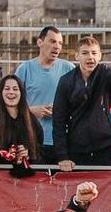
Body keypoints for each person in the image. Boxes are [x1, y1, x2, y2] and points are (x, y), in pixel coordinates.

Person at [53, 35, 111, 167]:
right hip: (76, 148)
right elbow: (58, 120)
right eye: (85, 53)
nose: (90, 57)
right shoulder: (66, 80)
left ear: (100, 56)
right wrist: (62, 156)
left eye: (94, 53)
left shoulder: (105, 73)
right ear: (77, 56)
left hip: (104, 147)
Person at [12, 27, 75, 163]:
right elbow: (11, 106)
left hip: (62, 142)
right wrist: (31, 111)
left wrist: (61, 110)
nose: (56, 47)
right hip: (33, 141)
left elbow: (79, 103)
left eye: (60, 43)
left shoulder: (69, 69)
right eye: (52, 41)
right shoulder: (25, 69)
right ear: (40, 42)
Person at [0, 73, 44, 167]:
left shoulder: (30, 119)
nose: (11, 92)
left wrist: (28, 152)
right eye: (7, 89)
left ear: (21, 93)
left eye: (15, 89)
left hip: (24, 175)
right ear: (1, 92)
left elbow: (39, 145)